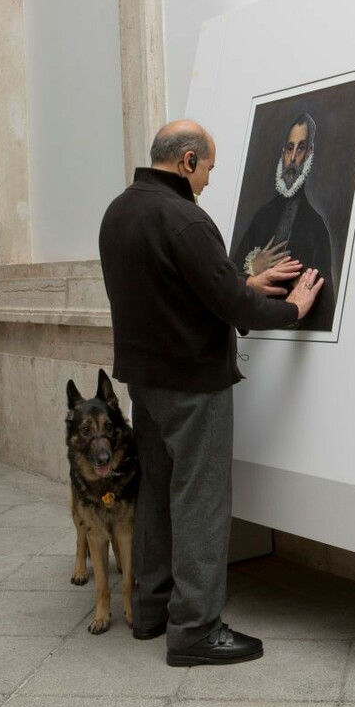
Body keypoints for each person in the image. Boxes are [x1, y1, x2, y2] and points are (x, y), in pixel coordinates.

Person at [98, 119, 323, 667]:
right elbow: (235, 308)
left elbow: (173, 289)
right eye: (208, 171)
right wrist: (291, 308)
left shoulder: (118, 212)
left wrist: (237, 284)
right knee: (200, 501)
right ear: (188, 160)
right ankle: (195, 630)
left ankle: (150, 613)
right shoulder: (186, 220)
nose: (208, 183)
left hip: (146, 383)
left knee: (154, 493)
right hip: (193, 383)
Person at [231, 112, 335, 331]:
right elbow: (225, 286)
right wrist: (253, 267)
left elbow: (326, 312)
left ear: (309, 153)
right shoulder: (261, 216)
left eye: (301, 148)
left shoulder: (317, 228)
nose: (293, 158)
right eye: (290, 148)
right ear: (283, 153)